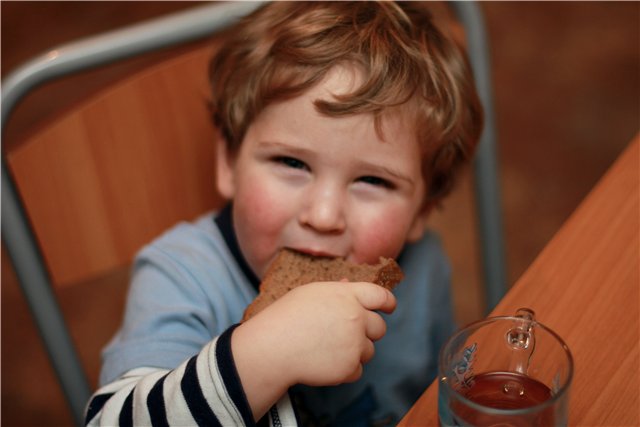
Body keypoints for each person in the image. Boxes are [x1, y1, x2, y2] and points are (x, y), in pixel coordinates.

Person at [85, 2, 482, 426]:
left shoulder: (424, 267)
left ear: (422, 210)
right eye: (292, 164)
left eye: (374, 181)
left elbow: (442, 396)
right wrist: (266, 356)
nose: (324, 215)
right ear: (229, 162)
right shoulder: (181, 278)